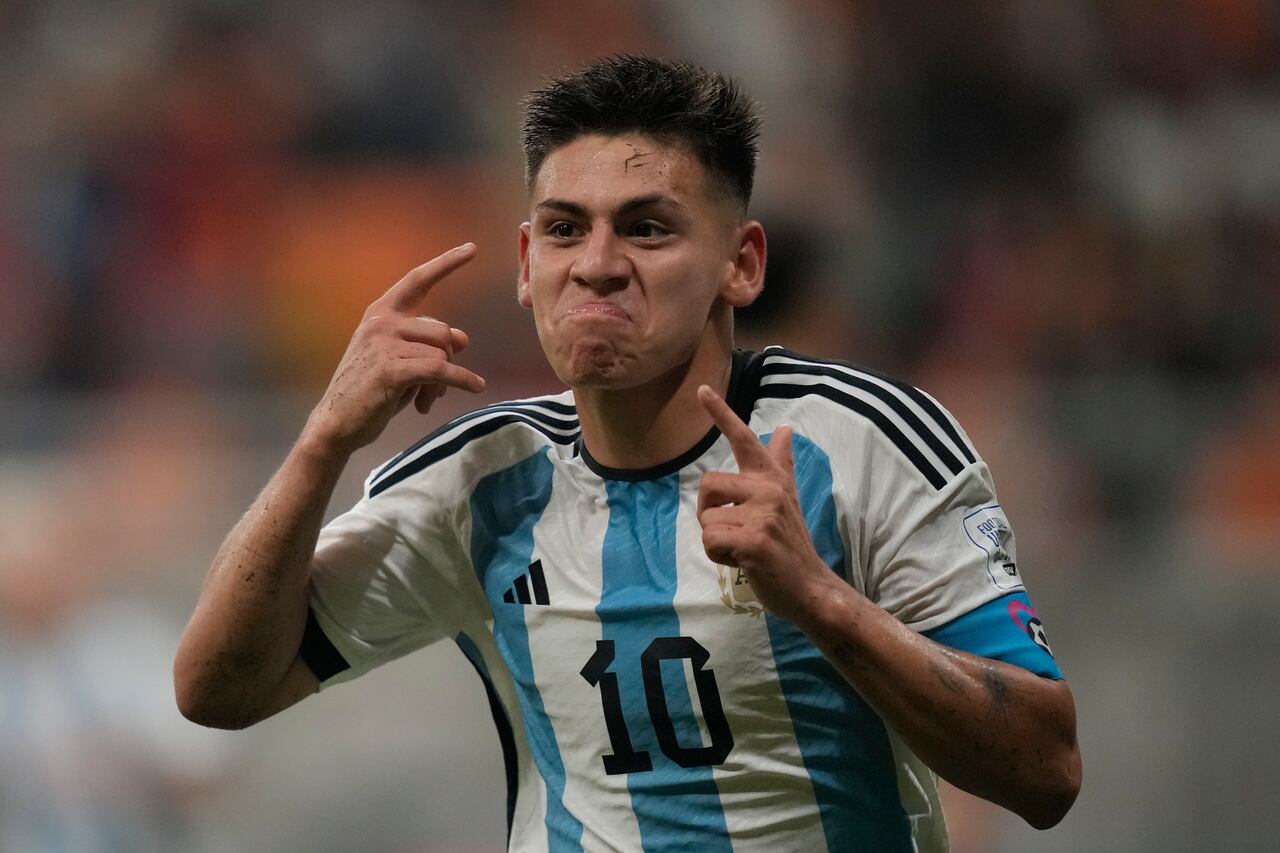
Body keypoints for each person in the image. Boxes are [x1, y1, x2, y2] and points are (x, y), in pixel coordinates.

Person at [174, 55, 1081, 851]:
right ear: (527, 264)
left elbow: (1046, 767)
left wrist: (819, 601)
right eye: (566, 229)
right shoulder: (481, 479)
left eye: (647, 228)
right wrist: (323, 441)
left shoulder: (864, 439)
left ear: (743, 263)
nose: (597, 263)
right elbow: (218, 688)